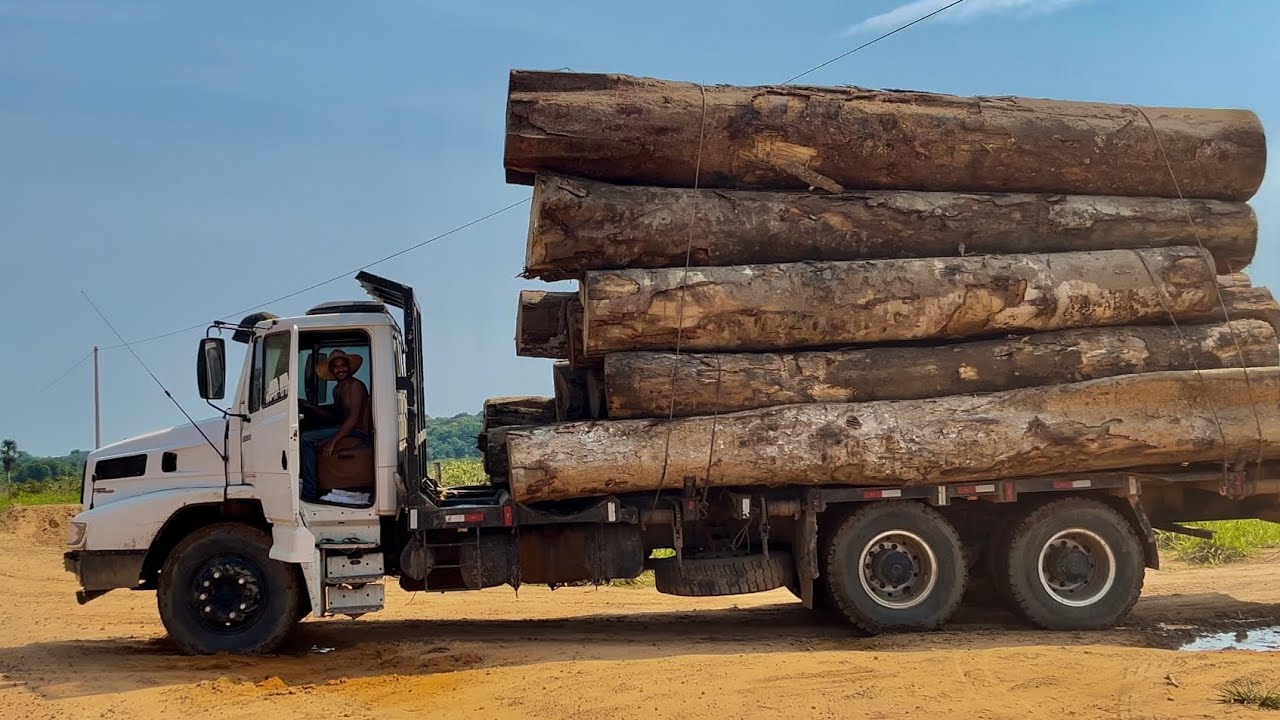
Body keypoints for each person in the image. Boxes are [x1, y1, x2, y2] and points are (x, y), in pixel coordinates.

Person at [299, 350, 372, 500]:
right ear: (332, 370)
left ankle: (309, 493)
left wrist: (333, 441)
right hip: (345, 428)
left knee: (306, 438)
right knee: (307, 430)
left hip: (358, 431)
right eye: (336, 367)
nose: (340, 369)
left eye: (343, 365)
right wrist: (310, 407)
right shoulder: (337, 389)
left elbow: (353, 419)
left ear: (349, 367)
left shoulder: (356, 386)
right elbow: (335, 418)